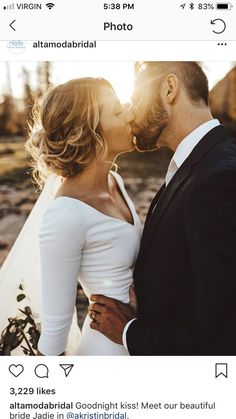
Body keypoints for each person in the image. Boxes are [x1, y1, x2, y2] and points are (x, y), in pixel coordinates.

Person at [89, 62, 236, 355]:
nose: (131, 113)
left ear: (169, 88)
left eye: (137, 99)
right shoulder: (197, 164)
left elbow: (223, 336)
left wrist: (130, 333)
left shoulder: (218, 180)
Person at [0, 77, 142, 356]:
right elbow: (54, 337)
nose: (131, 113)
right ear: (90, 133)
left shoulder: (116, 182)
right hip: (107, 353)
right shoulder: (65, 216)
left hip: (137, 337)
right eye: (116, 111)